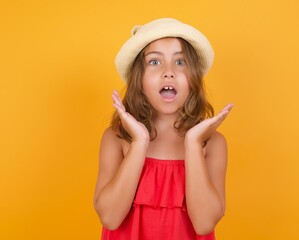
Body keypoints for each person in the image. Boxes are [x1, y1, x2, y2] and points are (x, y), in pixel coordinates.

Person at [93, 18, 233, 240]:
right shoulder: (116, 138)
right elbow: (110, 217)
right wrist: (139, 143)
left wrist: (193, 144)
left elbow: (204, 224)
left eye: (180, 62)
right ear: (138, 79)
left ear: (193, 78)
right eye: (155, 62)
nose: (169, 72)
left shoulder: (212, 143)